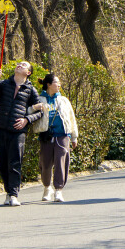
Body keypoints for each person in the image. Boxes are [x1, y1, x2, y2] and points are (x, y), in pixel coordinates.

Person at [0, 61, 45, 206]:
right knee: (2, 163)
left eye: (24, 65)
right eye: (19, 64)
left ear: (28, 72)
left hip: (18, 132)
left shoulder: (30, 89)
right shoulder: (4, 84)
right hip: (0, 129)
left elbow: (40, 112)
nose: (19, 65)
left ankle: (14, 194)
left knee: (15, 163)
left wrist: (26, 120)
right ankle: (8, 192)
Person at [36, 72, 78, 202]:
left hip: (63, 135)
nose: (59, 84)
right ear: (48, 85)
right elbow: (29, 112)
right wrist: (34, 108)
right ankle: (47, 187)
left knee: (61, 163)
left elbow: (71, 118)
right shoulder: (39, 100)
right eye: (56, 82)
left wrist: (74, 136)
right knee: (46, 163)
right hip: (46, 136)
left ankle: (59, 190)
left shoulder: (63, 100)